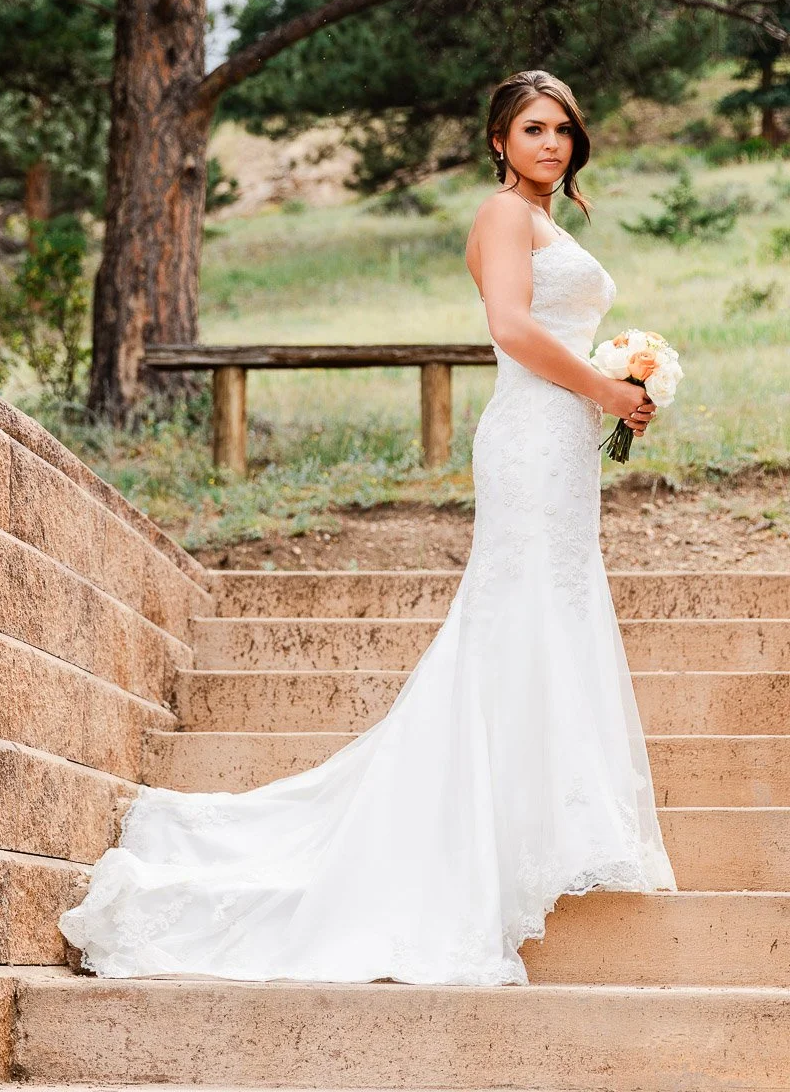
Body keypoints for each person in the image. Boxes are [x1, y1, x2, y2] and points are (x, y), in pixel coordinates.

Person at [59, 68, 677, 986]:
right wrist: (604, 385)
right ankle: (482, 826)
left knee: (549, 606)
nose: (553, 143)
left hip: (562, 438)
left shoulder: (546, 218)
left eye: (564, 130)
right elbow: (509, 325)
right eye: (534, 129)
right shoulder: (503, 214)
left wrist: (625, 390)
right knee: (516, 612)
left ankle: (532, 810)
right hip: (532, 433)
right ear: (499, 141)